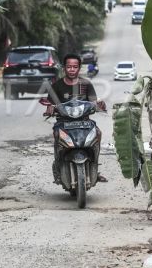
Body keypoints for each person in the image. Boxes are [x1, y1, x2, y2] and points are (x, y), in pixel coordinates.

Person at [44, 53, 107, 183]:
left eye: (75, 67)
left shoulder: (86, 83)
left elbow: (94, 101)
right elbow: (50, 104)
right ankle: (58, 166)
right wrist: (50, 108)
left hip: (84, 121)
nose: (72, 69)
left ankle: (94, 165)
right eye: (69, 67)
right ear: (64, 68)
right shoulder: (57, 86)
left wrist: (100, 104)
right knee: (56, 135)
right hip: (63, 122)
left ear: (79, 68)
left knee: (98, 133)